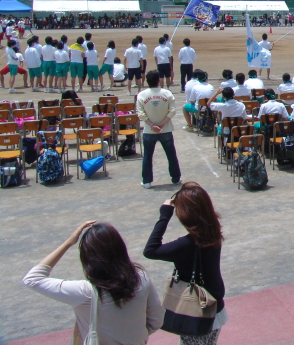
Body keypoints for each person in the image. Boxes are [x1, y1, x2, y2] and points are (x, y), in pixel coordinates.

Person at [24, 221, 164, 344]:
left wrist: (69, 242)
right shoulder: (140, 278)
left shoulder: (84, 292)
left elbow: (32, 279)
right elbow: (156, 319)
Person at [143, 182, 227, 345]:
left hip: (196, 311)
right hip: (215, 305)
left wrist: (164, 215)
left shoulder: (186, 245)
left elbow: (150, 250)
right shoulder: (214, 232)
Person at [137, 70, 181, 188]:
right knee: (171, 155)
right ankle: (176, 178)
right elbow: (172, 111)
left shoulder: (141, 95)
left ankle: (146, 181)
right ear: (159, 80)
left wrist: (152, 125)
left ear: (147, 81)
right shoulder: (166, 93)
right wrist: (162, 124)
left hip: (149, 130)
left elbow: (140, 114)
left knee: (147, 156)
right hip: (165, 129)